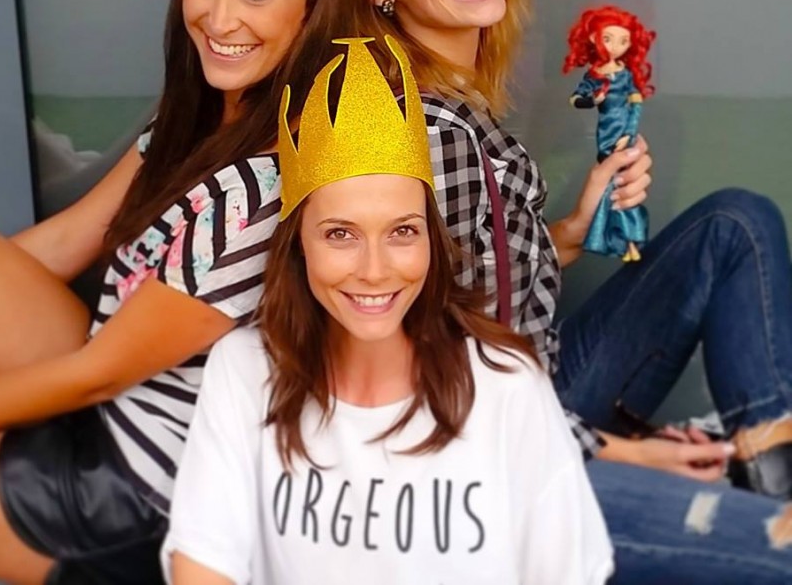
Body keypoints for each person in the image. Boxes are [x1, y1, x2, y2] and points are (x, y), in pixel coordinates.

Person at [340, 0, 792, 581]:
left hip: (539, 394)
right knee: (772, 548)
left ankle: (772, 471)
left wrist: (572, 231)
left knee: (734, 226)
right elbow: (448, 380)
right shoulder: (425, 130)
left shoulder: (450, 98)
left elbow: (474, 282)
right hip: (490, 467)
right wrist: (627, 452)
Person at [0, 0, 353, 584]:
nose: (219, 17)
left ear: (312, 9)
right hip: (99, 391)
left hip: (135, 485)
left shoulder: (268, 185)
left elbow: (101, 373)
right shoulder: (197, 121)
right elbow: (66, 241)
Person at [164, 36, 614, 585]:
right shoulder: (246, 370)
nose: (375, 270)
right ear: (298, 243)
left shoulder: (505, 383)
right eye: (340, 234)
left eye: (402, 232)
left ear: (432, 241)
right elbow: (203, 564)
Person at [564, 5, 657, 262]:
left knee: (621, 187)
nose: (616, 47)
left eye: (623, 41)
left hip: (624, 132)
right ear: (594, 38)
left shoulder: (625, 75)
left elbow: (636, 106)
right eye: (608, 38)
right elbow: (575, 99)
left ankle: (628, 241)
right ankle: (620, 241)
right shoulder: (594, 75)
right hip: (606, 133)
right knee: (615, 188)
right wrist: (593, 100)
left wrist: (629, 133)